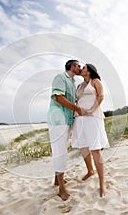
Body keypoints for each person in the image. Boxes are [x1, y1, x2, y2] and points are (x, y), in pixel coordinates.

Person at [72, 63, 110, 197]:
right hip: (79, 119)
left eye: (84, 67)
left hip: (93, 118)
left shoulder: (96, 81)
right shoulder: (79, 86)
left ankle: (102, 183)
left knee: (95, 149)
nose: (81, 69)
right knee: (83, 147)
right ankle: (90, 171)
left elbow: (101, 97)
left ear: (89, 70)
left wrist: (92, 110)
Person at [47, 59, 83, 201]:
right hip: (58, 120)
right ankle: (61, 187)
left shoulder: (74, 83)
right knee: (60, 151)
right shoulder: (60, 77)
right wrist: (77, 108)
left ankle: (57, 179)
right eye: (78, 66)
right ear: (72, 66)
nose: (80, 68)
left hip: (67, 120)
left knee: (60, 150)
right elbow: (58, 97)